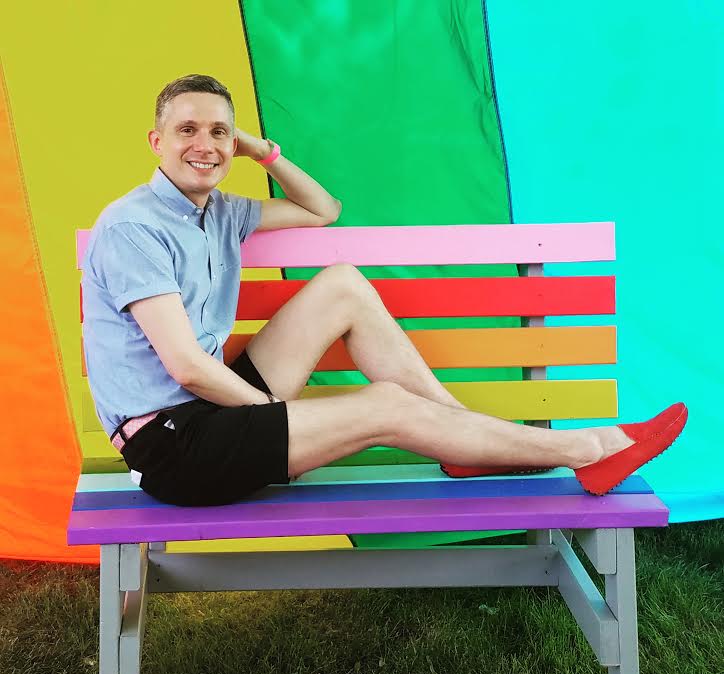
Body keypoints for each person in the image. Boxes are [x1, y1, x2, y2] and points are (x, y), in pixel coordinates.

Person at [81, 74, 687, 507]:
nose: (205, 146)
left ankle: (467, 440)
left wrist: (260, 151)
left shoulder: (218, 211)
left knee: (342, 285)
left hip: (215, 412)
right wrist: (274, 417)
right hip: (177, 447)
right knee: (388, 407)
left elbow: (322, 209)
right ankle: (592, 447)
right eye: (187, 130)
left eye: (218, 132)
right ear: (156, 142)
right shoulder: (135, 227)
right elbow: (186, 366)